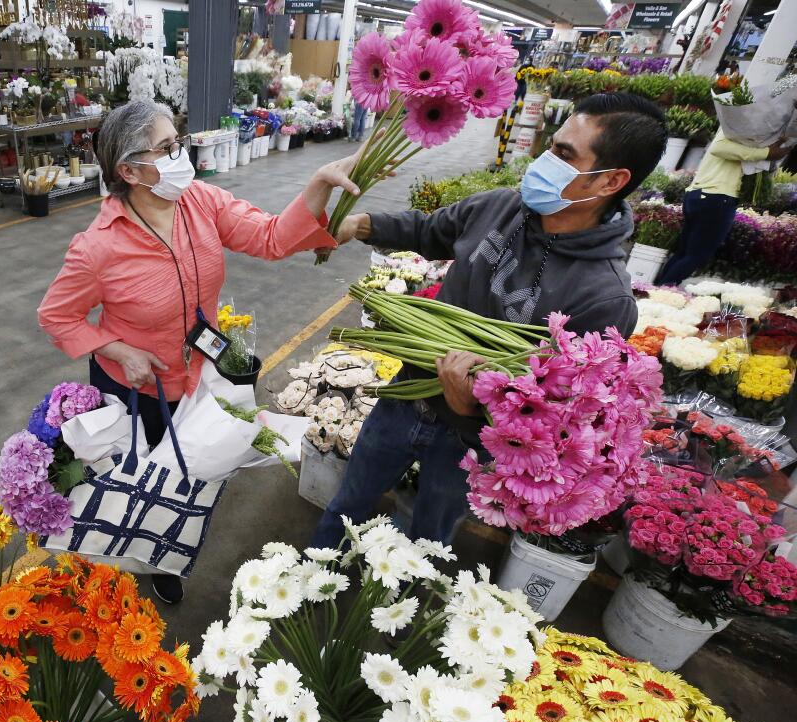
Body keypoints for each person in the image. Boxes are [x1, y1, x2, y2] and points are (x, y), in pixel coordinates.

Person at [310, 92, 668, 550]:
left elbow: (559, 419)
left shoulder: (604, 298)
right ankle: (313, 573)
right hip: (404, 397)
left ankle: (394, 606)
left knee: (428, 540)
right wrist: (358, 225)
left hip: (466, 442)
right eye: (550, 145)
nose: (542, 161)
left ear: (609, 181)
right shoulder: (501, 207)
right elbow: (430, 230)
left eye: (563, 154)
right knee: (347, 503)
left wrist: (468, 411)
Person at [38, 100, 358, 603]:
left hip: (197, 376)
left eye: (177, 142)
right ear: (129, 170)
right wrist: (119, 350)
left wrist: (317, 184)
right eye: (166, 149)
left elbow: (271, 238)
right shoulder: (96, 248)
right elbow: (56, 316)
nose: (179, 155)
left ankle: (164, 554)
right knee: (135, 478)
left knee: (185, 478)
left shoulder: (201, 202)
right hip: (135, 390)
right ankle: (122, 559)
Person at [654, 130, 792, 286]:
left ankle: (659, 289)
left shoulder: (742, 127)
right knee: (696, 255)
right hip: (717, 197)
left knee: (687, 252)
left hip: (703, 194)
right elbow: (718, 148)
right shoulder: (738, 125)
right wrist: (765, 153)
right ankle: (664, 289)